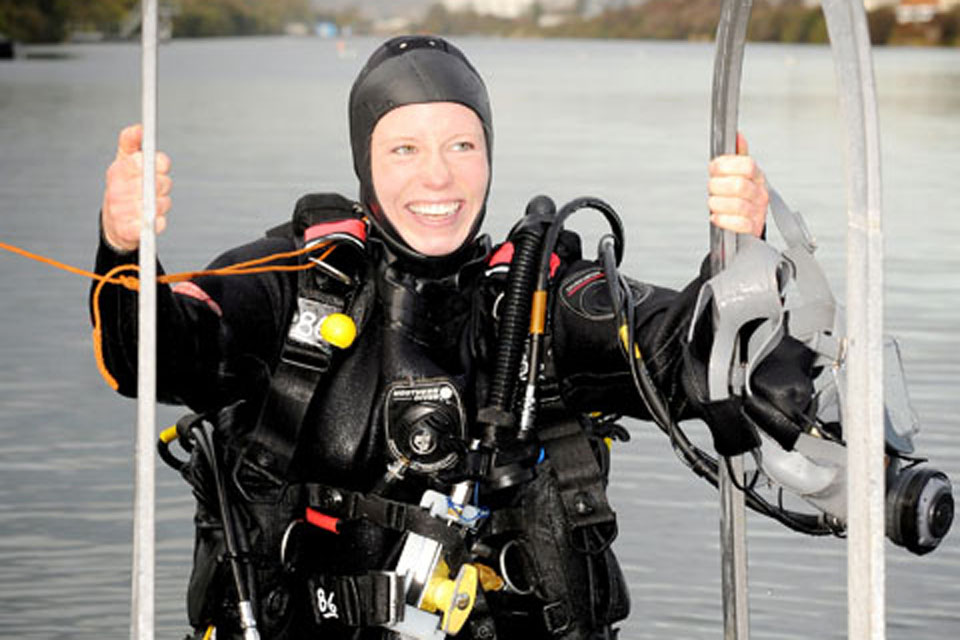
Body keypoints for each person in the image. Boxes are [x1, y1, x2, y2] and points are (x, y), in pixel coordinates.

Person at [94, 36, 776, 640]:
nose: (438, 177)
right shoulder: (287, 287)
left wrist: (739, 256)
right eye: (405, 149)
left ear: (488, 155)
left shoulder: (541, 305)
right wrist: (124, 250)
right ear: (366, 159)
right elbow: (149, 358)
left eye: (461, 145)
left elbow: (694, 359)